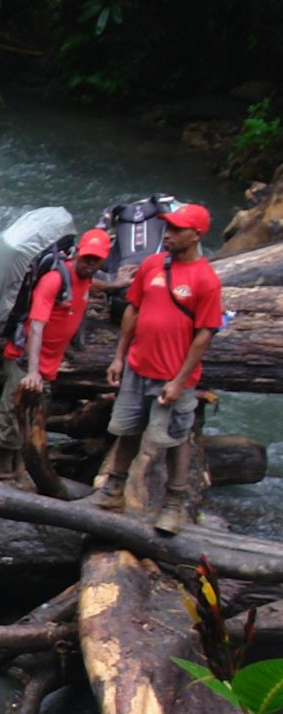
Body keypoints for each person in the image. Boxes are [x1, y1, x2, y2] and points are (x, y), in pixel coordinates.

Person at [97, 203, 225, 532]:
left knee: (173, 440)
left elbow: (204, 334)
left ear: (196, 235)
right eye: (166, 228)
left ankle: (174, 504)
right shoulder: (153, 264)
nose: (167, 234)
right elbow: (133, 311)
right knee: (127, 430)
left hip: (172, 375)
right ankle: (114, 489)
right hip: (138, 367)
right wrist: (119, 356)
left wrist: (180, 381)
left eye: (176, 230)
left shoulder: (206, 280)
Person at [0, 227, 111, 491]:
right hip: (26, 359)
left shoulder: (86, 278)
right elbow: (37, 325)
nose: (90, 264)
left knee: (35, 415)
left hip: (48, 365)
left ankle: (20, 469)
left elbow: (92, 283)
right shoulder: (55, 280)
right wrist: (33, 372)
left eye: (96, 260)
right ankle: (3, 472)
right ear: (78, 253)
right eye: (87, 258)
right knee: (13, 411)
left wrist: (117, 284)